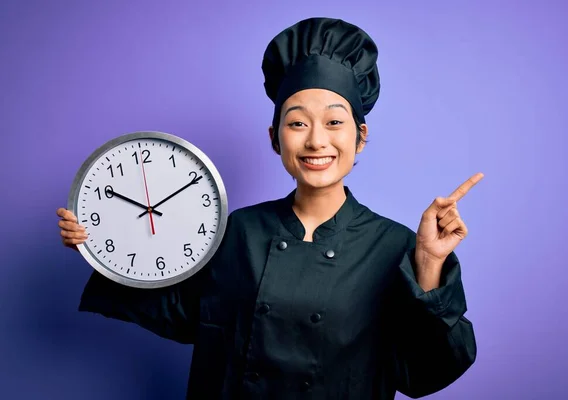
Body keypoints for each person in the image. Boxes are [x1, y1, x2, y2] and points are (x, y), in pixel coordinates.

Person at [56, 17, 481, 399]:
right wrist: (102, 250)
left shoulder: (395, 246)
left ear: (361, 137)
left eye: (334, 122)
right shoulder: (236, 231)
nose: (316, 141)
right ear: (275, 137)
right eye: (297, 122)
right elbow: (182, 313)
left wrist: (428, 265)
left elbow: (424, 372)